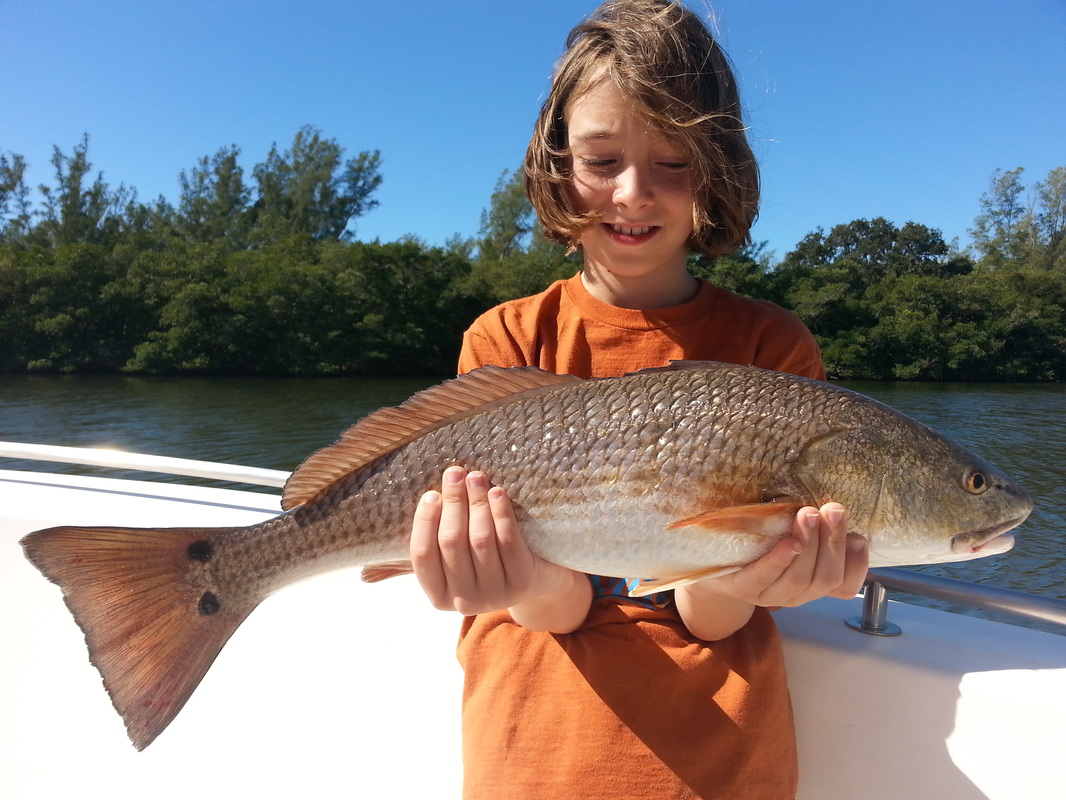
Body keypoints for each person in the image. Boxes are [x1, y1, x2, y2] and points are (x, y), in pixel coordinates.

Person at [409, 1, 869, 797]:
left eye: (674, 163)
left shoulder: (774, 350)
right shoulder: (506, 338)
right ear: (556, 164)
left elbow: (708, 611)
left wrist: (746, 577)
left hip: (722, 763)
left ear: (718, 169)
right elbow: (552, 610)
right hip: (533, 756)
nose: (633, 193)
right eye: (602, 160)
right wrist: (510, 578)